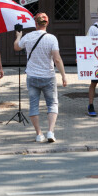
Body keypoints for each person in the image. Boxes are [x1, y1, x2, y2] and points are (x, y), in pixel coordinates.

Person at [14, 12, 67, 143]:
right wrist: (63, 76)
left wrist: (18, 36)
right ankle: (50, 131)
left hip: (32, 77)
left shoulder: (28, 37)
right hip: (48, 76)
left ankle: (38, 134)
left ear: (35, 23)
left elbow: (16, 47)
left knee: (33, 105)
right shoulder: (52, 38)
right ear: (47, 23)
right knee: (52, 104)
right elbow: (57, 59)